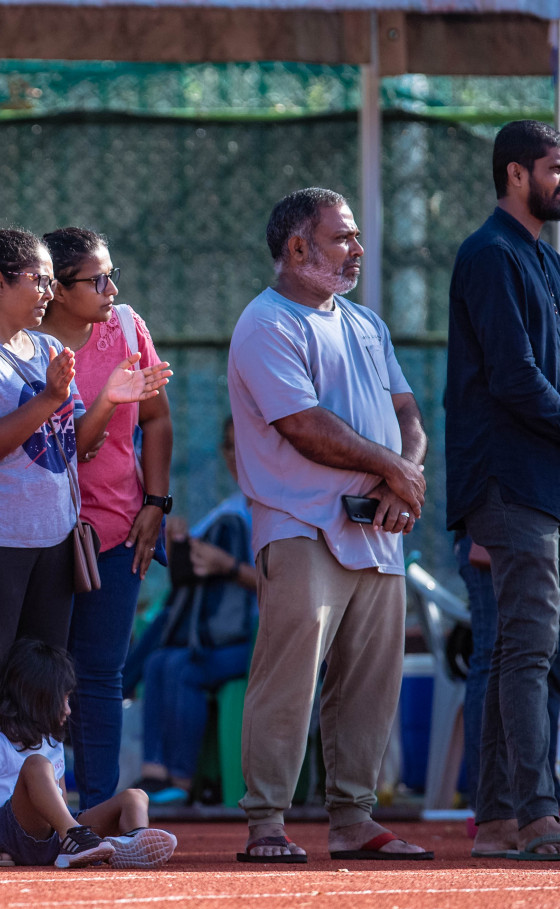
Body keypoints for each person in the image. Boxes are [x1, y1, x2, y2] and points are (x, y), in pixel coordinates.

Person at [0, 223, 167, 858]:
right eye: (34, 279)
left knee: (41, 685)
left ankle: (33, 824)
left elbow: (73, 446)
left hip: (50, 542)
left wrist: (109, 401)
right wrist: (53, 399)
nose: (44, 291)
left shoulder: (39, 350)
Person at [227, 188, 430, 864]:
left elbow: (407, 415)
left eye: (353, 237)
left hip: (379, 528)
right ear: (296, 249)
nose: (357, 250)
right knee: (288, 679)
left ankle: (354, 819)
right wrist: (396, 475)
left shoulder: (365, 323)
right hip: (300, 524)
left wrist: (405, 476)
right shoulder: (265, 323)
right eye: (341, 237)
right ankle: (267, 822)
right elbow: (304, 427)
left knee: (372, 682)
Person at [446, 119, 560, 860]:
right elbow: (515, 378)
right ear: (516, 174)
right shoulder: (489, 254)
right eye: (557, 168)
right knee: (530, 652)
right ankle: (539, 813)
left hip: (537, 484)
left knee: (511, 653)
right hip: (507, 484)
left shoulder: (541, 258)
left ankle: (496, 821)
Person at [40, 227, 173, 810]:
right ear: (58, 290)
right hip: (41, 533)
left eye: (110, 274)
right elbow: (63, 447)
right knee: (36, 676)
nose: (112, 289)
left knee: (100, 676)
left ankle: (97, 811)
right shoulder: (22, 343)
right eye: (97, 280)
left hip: (120, 529)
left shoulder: (126, 327)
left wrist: (155, 505)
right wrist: (105, 403)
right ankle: (39, 814)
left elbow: (158, 422)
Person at [0, 638, 176, 869]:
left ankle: (134, 844)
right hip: (11, 835)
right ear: (39, 699)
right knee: (37, 764)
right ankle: (76, 838)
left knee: (136, 796)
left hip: (57, 835)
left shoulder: (51, 739)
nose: (69, 710)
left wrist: (70, 826)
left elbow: (60, 800)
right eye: (65, 699)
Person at [131, 418, 258, 804]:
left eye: (249, 444)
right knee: (159, 663)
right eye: (232, 447)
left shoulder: (282, 508)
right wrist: (179, 544)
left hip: (265, 640)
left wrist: (230, 568)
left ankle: (182, 784)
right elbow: (188, 577)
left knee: (183, 667)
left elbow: (290, 591)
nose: (240, 457)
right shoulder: (231, 509)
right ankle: (156, 774)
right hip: (224, 635)